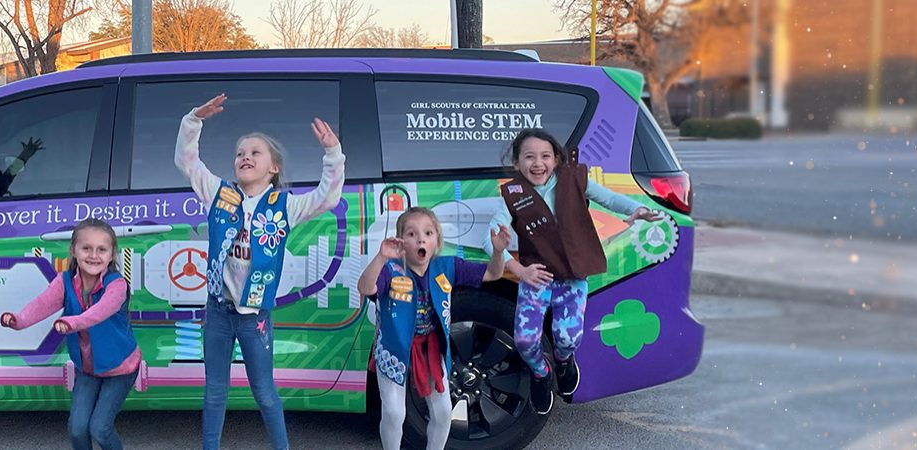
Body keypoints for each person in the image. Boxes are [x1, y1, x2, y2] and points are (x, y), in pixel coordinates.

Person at [175, 93, 346, 450]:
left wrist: (333, 154)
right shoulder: (219, 193)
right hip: (219, 312)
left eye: (255, 152)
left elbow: (327, 197)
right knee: (214, 393)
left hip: (256, 317)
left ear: (274, 168)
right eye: (240, 153)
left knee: (265, 393)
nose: (245, 157)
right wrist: (193, 121)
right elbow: (188, 162)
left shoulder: (285, 205)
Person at [483, 129, 666, 415]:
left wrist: (638, 208)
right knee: (525, 341)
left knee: (567, 338)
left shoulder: (574, 180)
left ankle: (563, 361)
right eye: (529, 157)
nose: (538, 163)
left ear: (556, 159)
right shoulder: (511, 194)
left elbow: (609, 198)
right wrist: (519, 269)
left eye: (545, 156)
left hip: (572, 275)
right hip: (537, 277)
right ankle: (542, 374)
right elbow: (490, 238)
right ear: (517, 163)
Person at [356, 208, 507, 450]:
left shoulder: (447, 266)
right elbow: (365, 287)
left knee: (443, 411)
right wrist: (381, 257)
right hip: (394, 351)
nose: (421, 239)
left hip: (432, 349)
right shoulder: (391, 270)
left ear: (437, 239)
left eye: (428, 233)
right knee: (395, 412)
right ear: (401, 241)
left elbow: (492, 273)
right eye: (412, 234)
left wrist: (498, 252)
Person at [0, 219, 143, 450]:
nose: (93, 255)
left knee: (100, 428)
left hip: (121, 368)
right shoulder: (64, 282)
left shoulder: (116, 285)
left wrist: (71, 322)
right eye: (86, 248)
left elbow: (99, 313)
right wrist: (18, 320)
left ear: (112, 254)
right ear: (73, 250)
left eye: (102, 249)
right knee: (77, 429)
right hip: (87, 369)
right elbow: (41, 305)